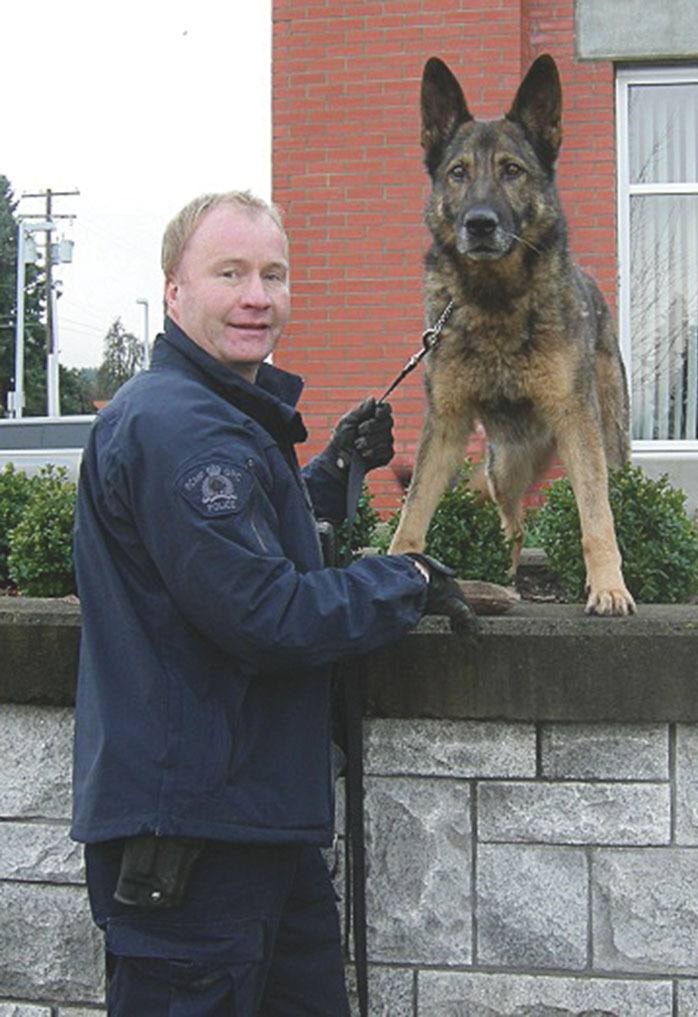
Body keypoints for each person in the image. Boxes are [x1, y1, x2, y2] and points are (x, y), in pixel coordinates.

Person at [71, 190, 475, 1016]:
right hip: (196, 849)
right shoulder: (184, 428)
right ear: (175, 292)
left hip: (251, 832)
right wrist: (405, 580)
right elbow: (264, 612)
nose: (257, 295)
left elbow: (237, 542)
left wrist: (329, 473)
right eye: (230, 273)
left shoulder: (210, 417)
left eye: (273, 274)